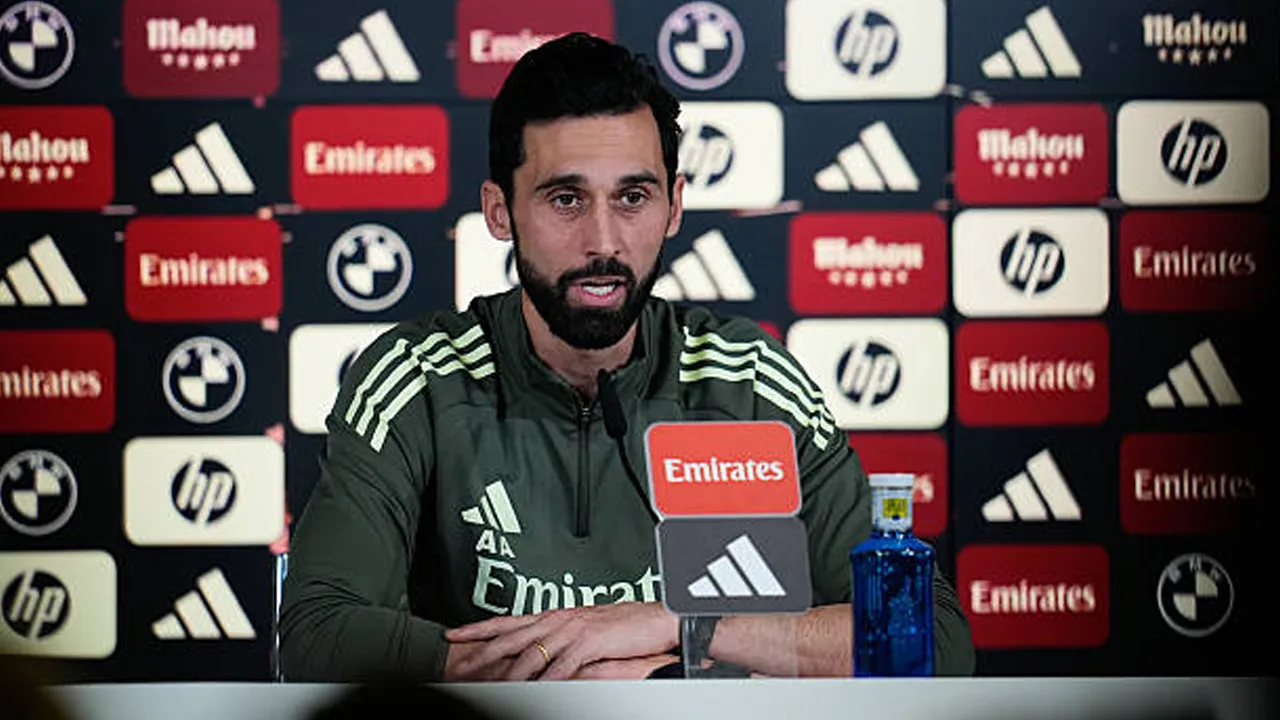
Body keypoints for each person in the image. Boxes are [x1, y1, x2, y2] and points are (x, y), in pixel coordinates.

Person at [278, 31, 974, 682]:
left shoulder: (749, 381)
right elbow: (315, 636)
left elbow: (932, 639)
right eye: (565, 199)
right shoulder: (417, 379)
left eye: (633, 197)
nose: (603, 241)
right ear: (499, 211)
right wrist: (569, 669)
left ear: (675, 206)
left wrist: (681, 627)